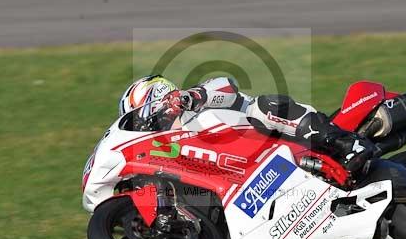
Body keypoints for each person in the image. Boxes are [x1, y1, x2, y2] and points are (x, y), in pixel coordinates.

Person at [118, 75, 377, 175]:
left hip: (272, 134)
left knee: (264, 107)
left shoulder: (195, 99)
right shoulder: (172, 142)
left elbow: (227, 84)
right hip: (246, 170)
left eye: (141, 114)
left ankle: (348, 143)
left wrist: (194, 96)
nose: (143, 122)